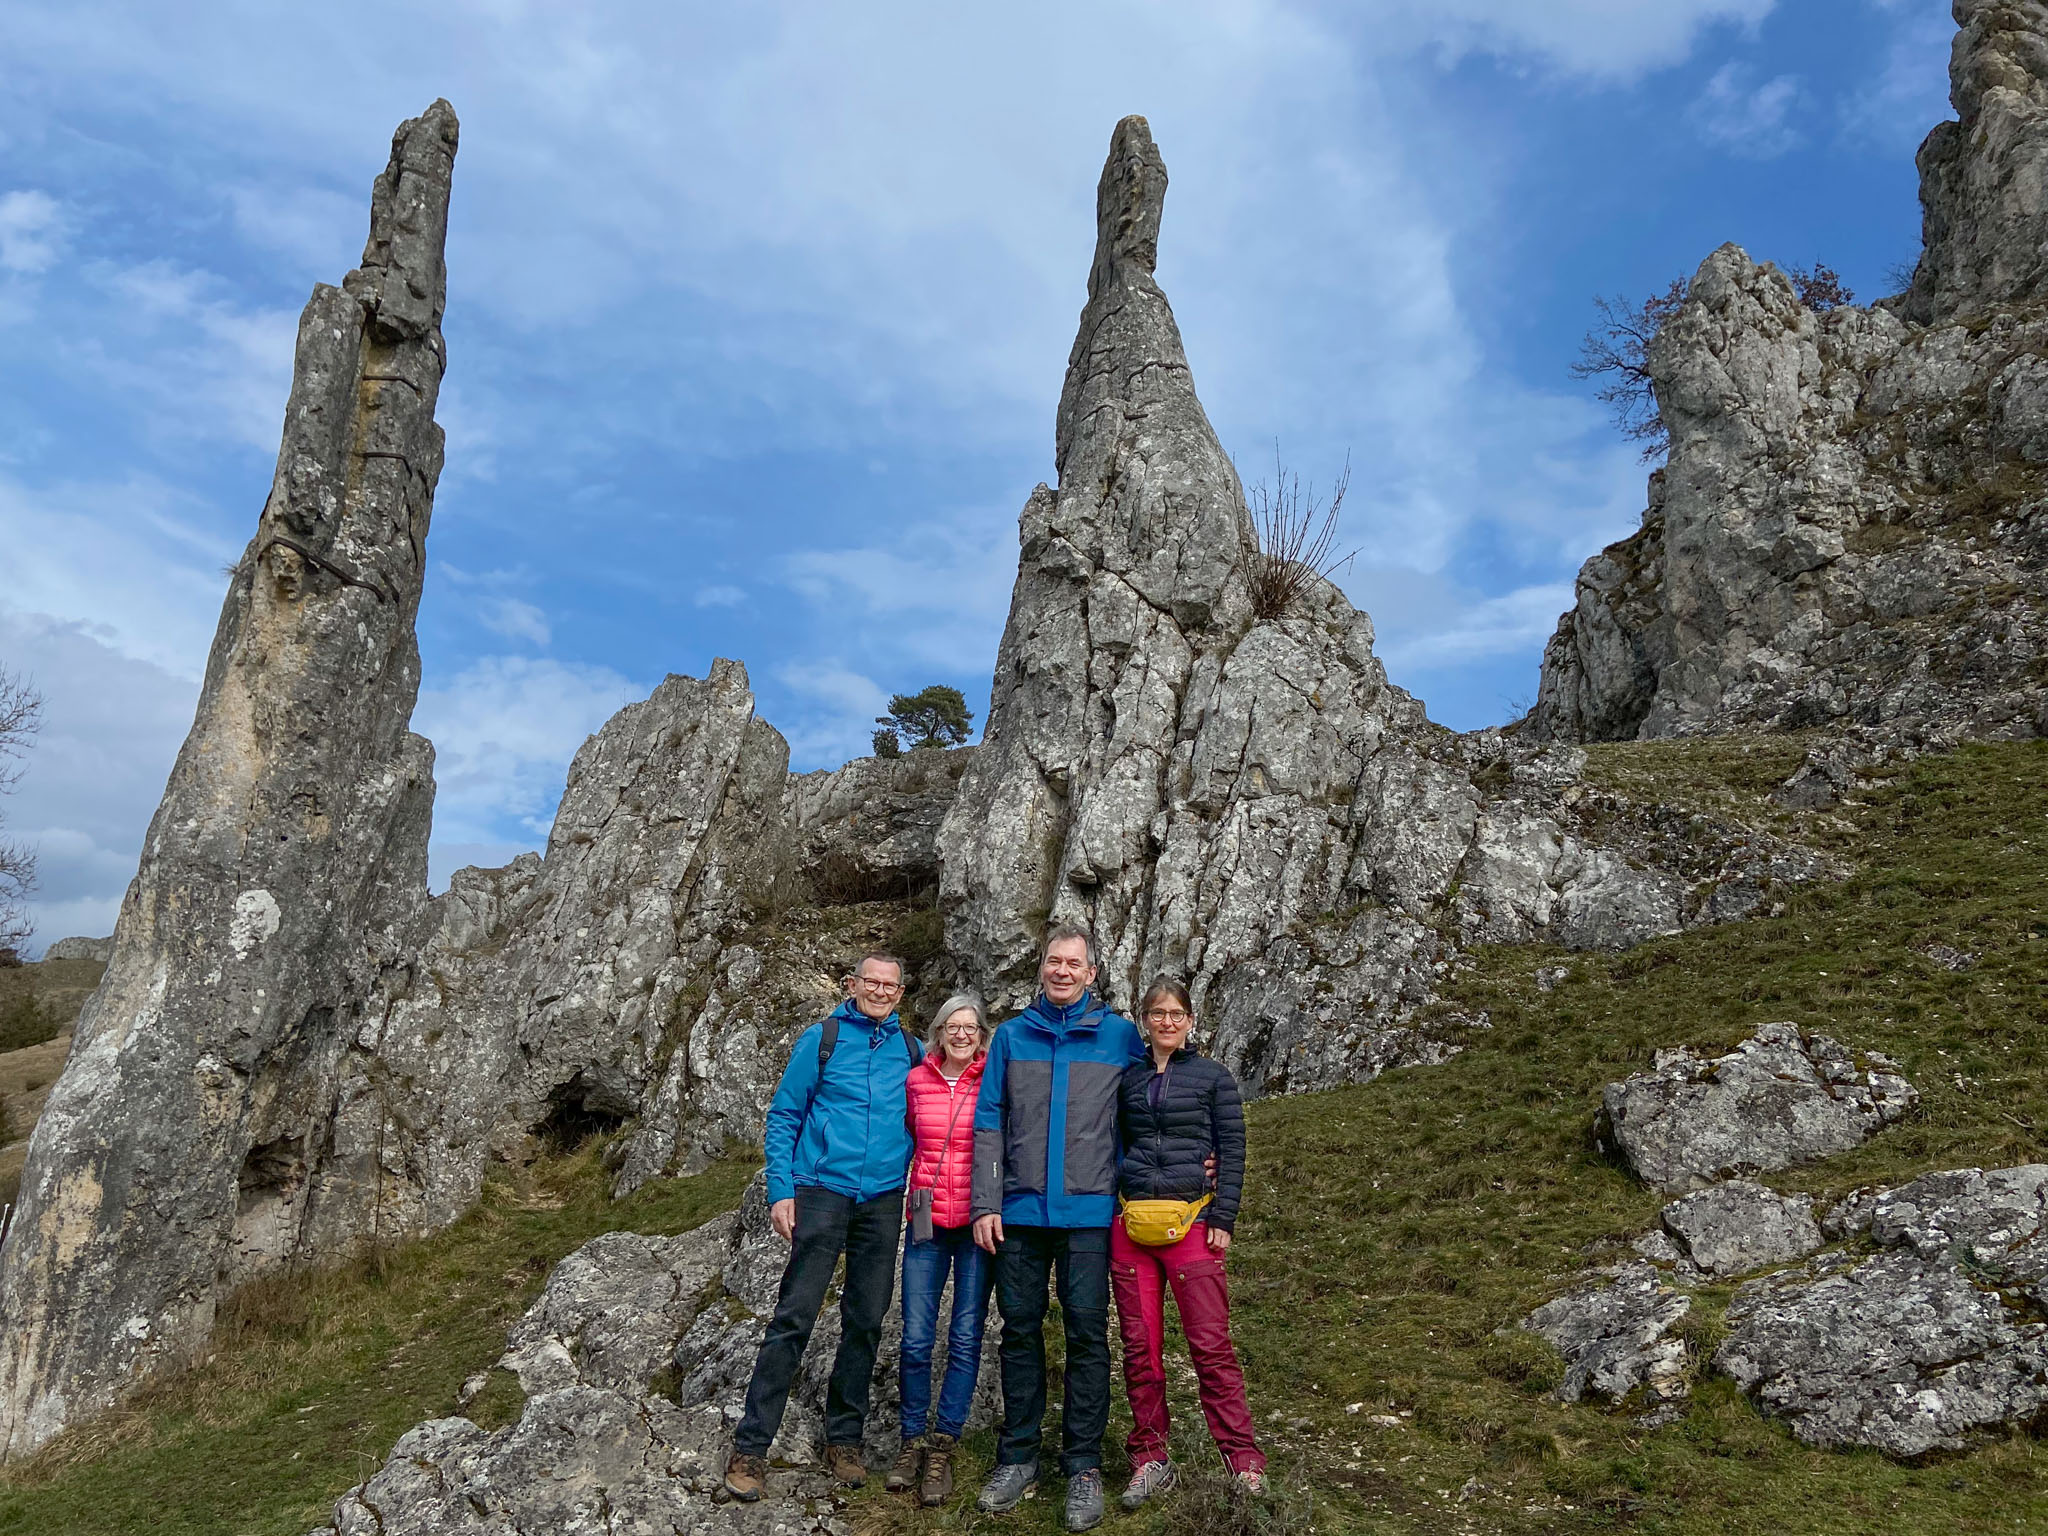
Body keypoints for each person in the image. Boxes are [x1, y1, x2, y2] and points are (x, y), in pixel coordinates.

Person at [722, 952, 923, 1503]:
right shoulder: (824, 1037)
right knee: (794, 1316)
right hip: (822, 1192)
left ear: (901, 994)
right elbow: (785, 1113)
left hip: (883, 1199)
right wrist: (781, 1190)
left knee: (865, 1320)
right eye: (871, 982)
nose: (879, 991)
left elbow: (932, 1112)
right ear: (853, 984)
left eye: (890, 985)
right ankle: (751, 1447)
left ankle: (844, 1440)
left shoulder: (911, 1051)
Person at [970, 926, 1146, 1533]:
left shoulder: (1122, 1037)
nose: (1062, 971)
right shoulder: (1012, 1036)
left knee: (1087, 1337)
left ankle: (1082, 1466)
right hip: (1017, 1215)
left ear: (1092, 973)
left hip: (1089, 1216)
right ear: (1041, 968)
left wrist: (1173, 1167)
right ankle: (1018, 1457)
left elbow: (1148, 1115)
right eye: (1053, 961)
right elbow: (988, 1120)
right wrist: (986, 1202)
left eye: (1074, 964)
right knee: (1018, 1332)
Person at [1110, 977, 1266, 1508]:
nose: (1168, 1022)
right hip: (1132, 1228)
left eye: (1177, 1013)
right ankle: (1150, 1458)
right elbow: (1112, 1145)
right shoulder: (1126, 1081)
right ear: (1145, 1020)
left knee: (1210, 1346)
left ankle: (1242, 1460)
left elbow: (1234, 1148)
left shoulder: (1213, 1077)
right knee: (1140, 1350)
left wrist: (1225, 1215)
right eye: (1158, 1013)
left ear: (1191, 1020)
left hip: (1194, 1224)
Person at [884, 992, 994, 1508]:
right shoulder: (915, 1080)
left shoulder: (993, 1080)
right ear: (939, 1030)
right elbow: (902, 1138)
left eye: (971, 1026)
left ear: (982, 1034)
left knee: (967, 1335)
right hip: (926, 1223)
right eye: (953, 1024)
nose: (962, 1033)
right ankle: (911, 1441)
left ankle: (943, 1444)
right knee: (916, 1337)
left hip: (975, 1225)